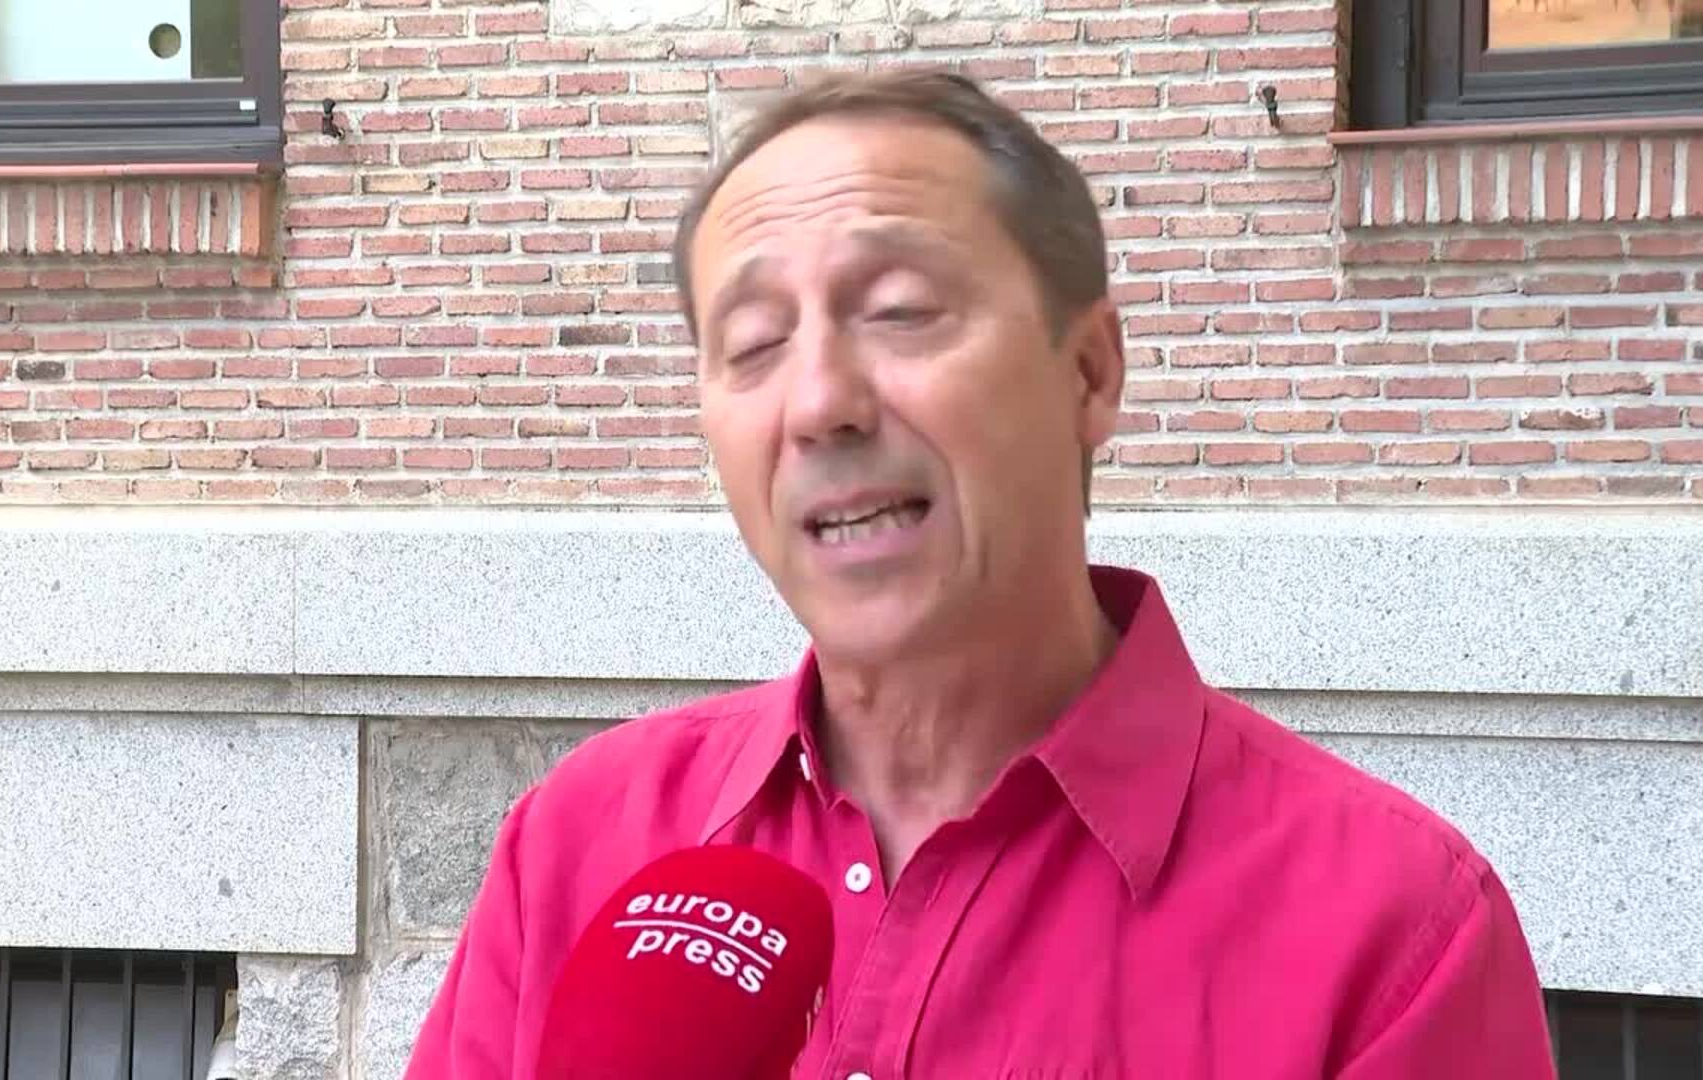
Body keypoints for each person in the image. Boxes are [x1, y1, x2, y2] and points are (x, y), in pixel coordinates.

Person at [405, 71, 1555, 1078]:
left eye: (901, 312)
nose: (819, 403)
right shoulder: (579, 845)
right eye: (754, 344)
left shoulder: (1391, 931)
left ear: (1090, 371)